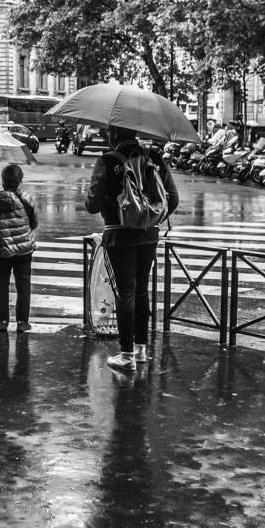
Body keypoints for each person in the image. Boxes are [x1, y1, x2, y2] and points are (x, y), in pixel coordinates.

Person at [86, 126, 179, 372]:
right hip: (149, 235)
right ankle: (140, 350)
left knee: (124, 293)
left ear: (114, 135)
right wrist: (150, 219)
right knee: (141, 291)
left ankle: (126, 354)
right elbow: (173, 198)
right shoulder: (153, 158)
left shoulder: (107, 160)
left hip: (119, 234)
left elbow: (92, 204)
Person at [0, 163, 37, 332]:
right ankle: (22, 322)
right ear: (19, 181)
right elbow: (34, 222)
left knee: (1, 284)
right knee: (23, 284)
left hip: (0, 250)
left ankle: (2, 321)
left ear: (3, 181)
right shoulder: (26, 198)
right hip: (23, 250)